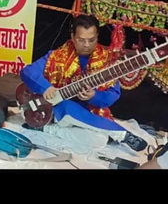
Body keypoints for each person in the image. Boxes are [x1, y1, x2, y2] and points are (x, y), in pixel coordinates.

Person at [20, 15, 147, 152]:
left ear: (97, 36)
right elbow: (28, 72)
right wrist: (46, 88)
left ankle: (47, 129)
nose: (86, 45)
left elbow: (112, 95)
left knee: (100, 141)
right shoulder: (56, 56)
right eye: (81, 40)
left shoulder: (107, 63)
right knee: (66, 106)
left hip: (88, 115)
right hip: (56, 111)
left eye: (91, 40)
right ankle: (121, 133)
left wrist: (94, 96)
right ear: (73, 37)